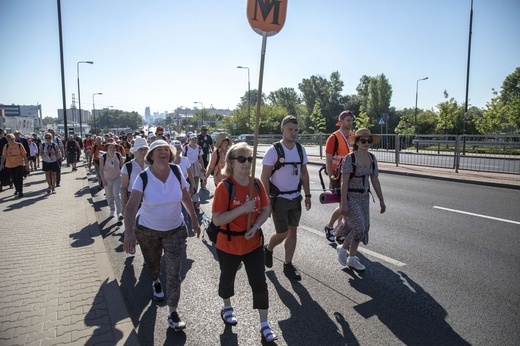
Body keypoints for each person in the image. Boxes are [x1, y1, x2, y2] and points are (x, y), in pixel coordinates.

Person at [123, 140, 200, 332]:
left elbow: (185, 197)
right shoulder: (143, 177)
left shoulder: (175, 171)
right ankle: (156, 281)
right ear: (151, 155)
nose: (164, 152)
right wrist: (129, 232)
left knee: (174, 271)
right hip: (148, 229)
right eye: (159, 150)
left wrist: (194, 220)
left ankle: (173, 312)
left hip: (175, 229)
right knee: (153, 262)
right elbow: (131, 207)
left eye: (167, 150)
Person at [211, 142, 277, 342]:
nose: (247, 163)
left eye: (249, 159)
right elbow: (217, 219)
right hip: (228, 245)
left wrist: (256, 226)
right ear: (231, 162)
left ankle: (264, 324)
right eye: (241, 159)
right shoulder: (225, 187)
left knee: (259, 283)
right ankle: (227, 306)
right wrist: (242, 209)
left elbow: (266, 209)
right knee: (227, 279)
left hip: (253, 244)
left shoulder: (256, 184)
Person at [261, 115, 312, 281]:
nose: (294, 133)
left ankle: (288, 265)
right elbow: (264, 178)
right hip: (279, 199)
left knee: (293, 232)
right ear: (282, 129)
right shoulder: (273, 150)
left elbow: (304, 173)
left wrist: (307, 195)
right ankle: (268, 249)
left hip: (295, 198)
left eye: (296, 130)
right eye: (290, 129)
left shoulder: (300, 149)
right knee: (282, 233)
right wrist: (267, 202)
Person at [336, 128, 386, 271]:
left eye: (369, 140)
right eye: (363, 140)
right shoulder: (350, 158)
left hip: (364, 198)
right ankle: (343, 248)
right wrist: (343, 203)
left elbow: (375, 179)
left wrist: (381, 200)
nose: (366, 143)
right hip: (351, 197)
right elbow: (343, 183)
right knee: (358, 227)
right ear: (356, 142)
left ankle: (352, 258)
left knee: (364, 228)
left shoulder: (372, 158)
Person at [324, 110, 356, 244]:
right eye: (348, 120)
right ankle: (330, 226)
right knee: (344, 204)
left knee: (345, 206)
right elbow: (329, 159)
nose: (350, 122)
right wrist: (331, 177)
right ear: (341, 121)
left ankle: (339, 231)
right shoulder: (334, 137)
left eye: (351, 120)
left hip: (350, 175)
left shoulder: (353, 135)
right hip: (338, 176)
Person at [121, 137, 149, 217]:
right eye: (140, 149)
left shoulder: (151, 165)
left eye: (145, 149)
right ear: (135, 151)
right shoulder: (128, 166)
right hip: (133, 198)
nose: (143, 152)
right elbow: (123, 188)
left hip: (149, 199)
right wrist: (124, 206)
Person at [171, 140, 196, 229]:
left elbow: (190, 174)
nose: (178, 151)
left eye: (179, 149)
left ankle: (184, 228)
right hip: (172, 190)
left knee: (185, 208)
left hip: (185, 188)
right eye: (175, 149)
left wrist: (193, 185)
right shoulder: (168, 163)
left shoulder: (185, 160)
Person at [100, 139, 125, 218]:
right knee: (109, 196)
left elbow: (122, 167)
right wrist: (103, 179)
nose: (112, 149)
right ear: (107, 148)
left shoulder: (118, 155)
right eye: (110, 147)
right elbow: (101, 169)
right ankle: (112, 209)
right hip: (107, 179)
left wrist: (123, 176)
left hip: (117, 178)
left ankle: (119, 212)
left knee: (116, 195)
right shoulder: (103, 157)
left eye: (114, 147)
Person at [183, 134, 205, 201]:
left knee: (196, 182)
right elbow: (183, 157)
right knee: (188, 182)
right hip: (188, 166)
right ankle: (189, 198)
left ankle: (195, 199)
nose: (194, 140)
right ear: (189, 139)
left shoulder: (199, 148)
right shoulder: (186, 147)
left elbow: (201, 159)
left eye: (195, 139)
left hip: (196, 166)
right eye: (192, 139)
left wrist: (203, 168)